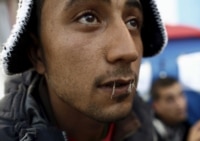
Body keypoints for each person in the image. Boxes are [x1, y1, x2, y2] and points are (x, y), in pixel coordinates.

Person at [0, 0, 167, 141]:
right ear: (37, 54)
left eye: (132, 22)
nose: (129, 51)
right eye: (88, 18)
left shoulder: (146, 121)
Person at [150, 76, 200, 141]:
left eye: (181, 95)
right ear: (156, 106)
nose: (180, 104)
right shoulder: (147, 132)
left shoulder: (186, 127)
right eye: (170, 99)